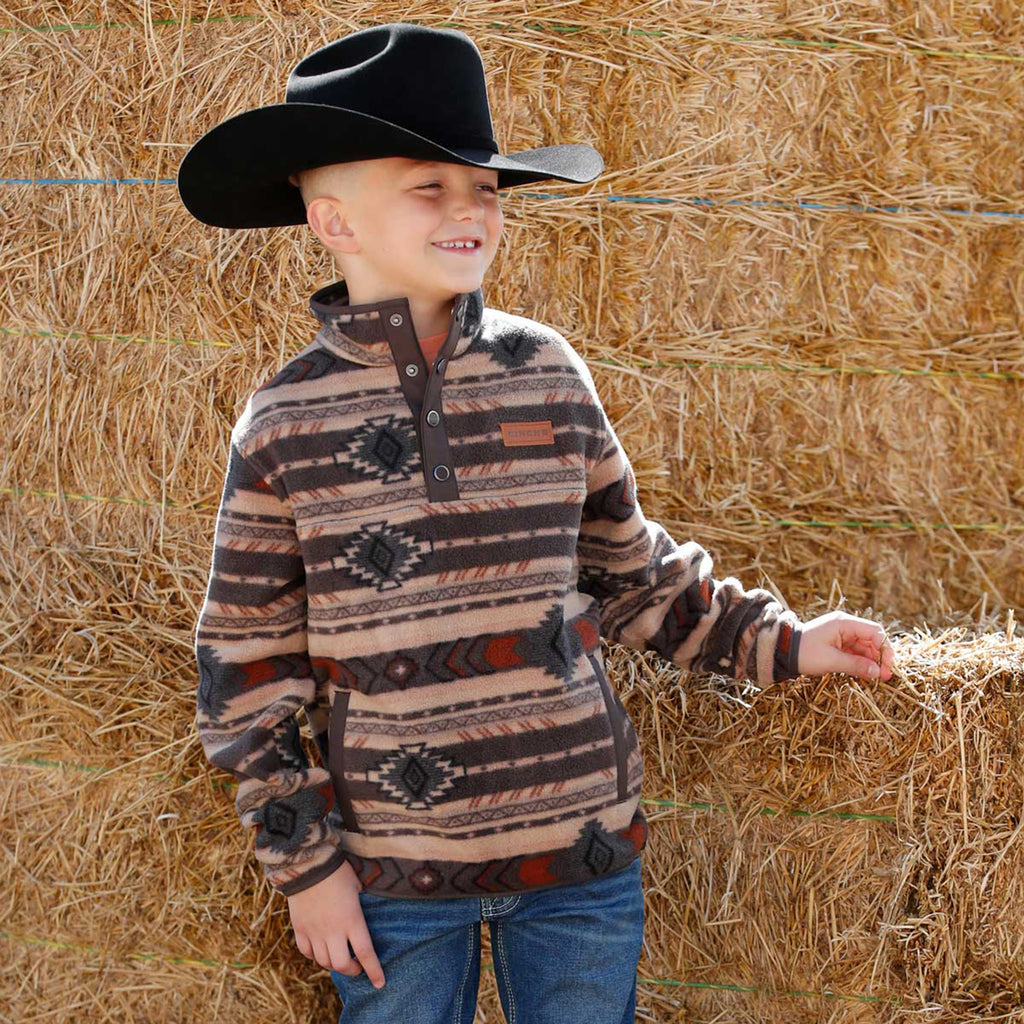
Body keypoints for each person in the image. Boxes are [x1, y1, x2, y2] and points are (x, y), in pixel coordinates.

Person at [178, 22, 895, 1024]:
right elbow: (246, 667)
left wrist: (785, 640)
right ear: (334, 222)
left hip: (580, 856)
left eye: (484, 188)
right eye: (428, 185)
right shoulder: (283, 422)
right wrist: (306, 866)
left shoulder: (548, 373)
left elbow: (632, 572)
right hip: (392, 875)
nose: (468, 207)